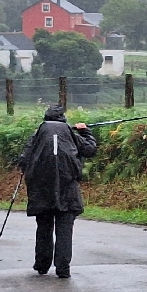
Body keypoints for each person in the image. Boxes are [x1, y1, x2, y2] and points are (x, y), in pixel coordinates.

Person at [17, 105, 98, 278]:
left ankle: (42, 265)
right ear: (63, 118)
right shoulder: (69, 132)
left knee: (44, 227)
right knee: (64, 229)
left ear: (45, 118)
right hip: (67, 189)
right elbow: (90, 149)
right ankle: (63, 268)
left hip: (41, 190)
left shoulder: (39, 132)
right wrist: (86, 132)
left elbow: (24, 158)